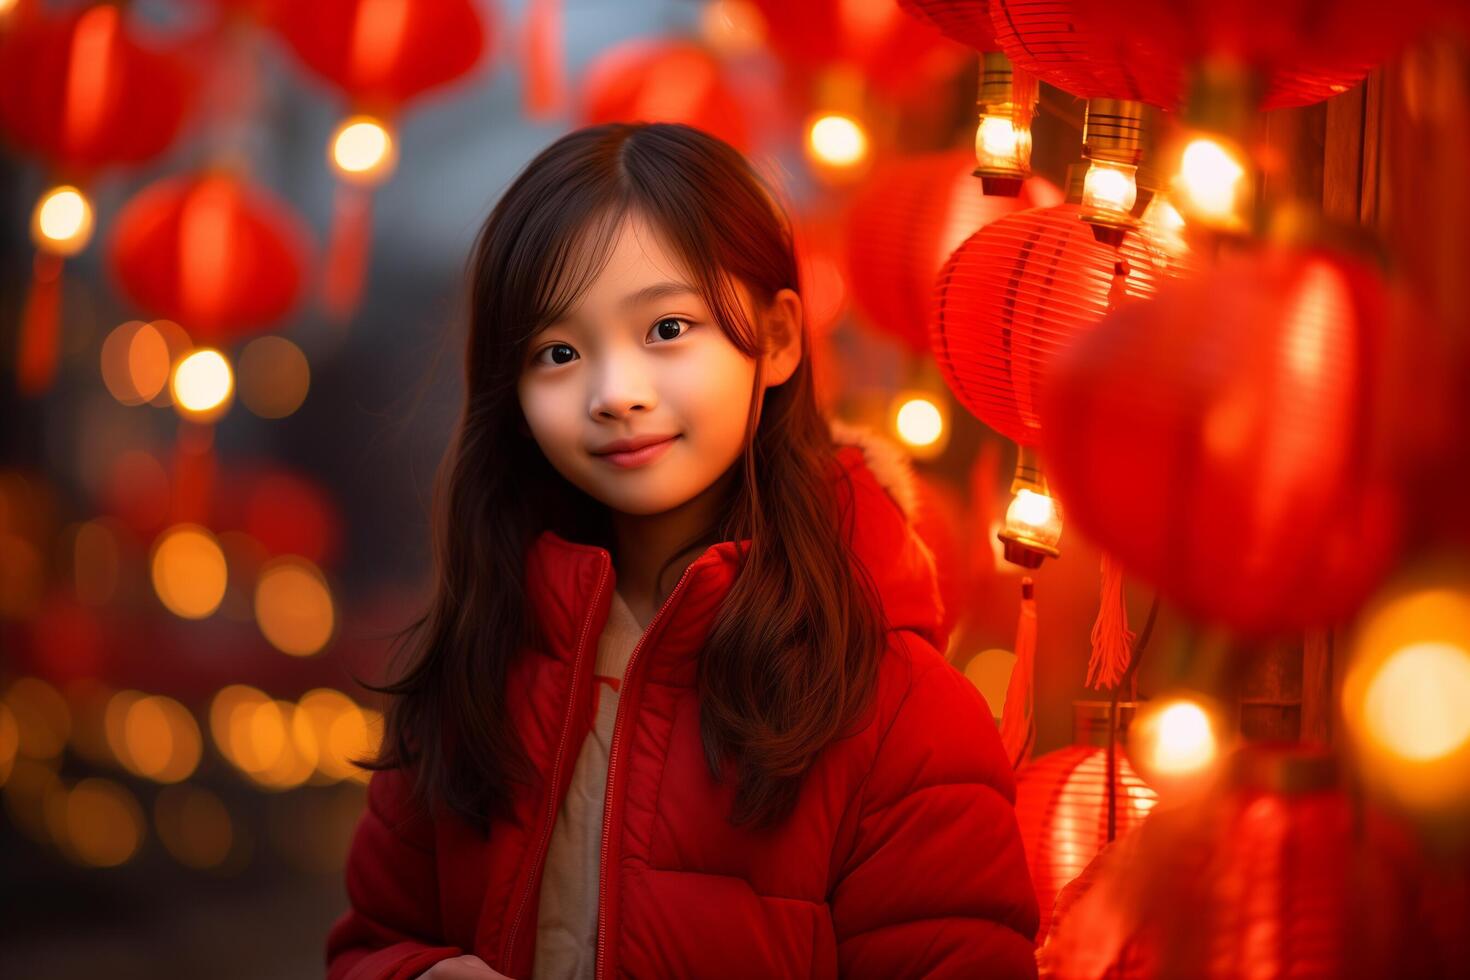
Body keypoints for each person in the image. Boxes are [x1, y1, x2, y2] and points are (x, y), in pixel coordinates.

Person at [325, 122, 1038, 980]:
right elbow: (372, 939)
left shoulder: (903, 713)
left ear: (776, 339)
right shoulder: (479, 661)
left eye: (667, 328)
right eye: (558, 352)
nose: (615, 394)